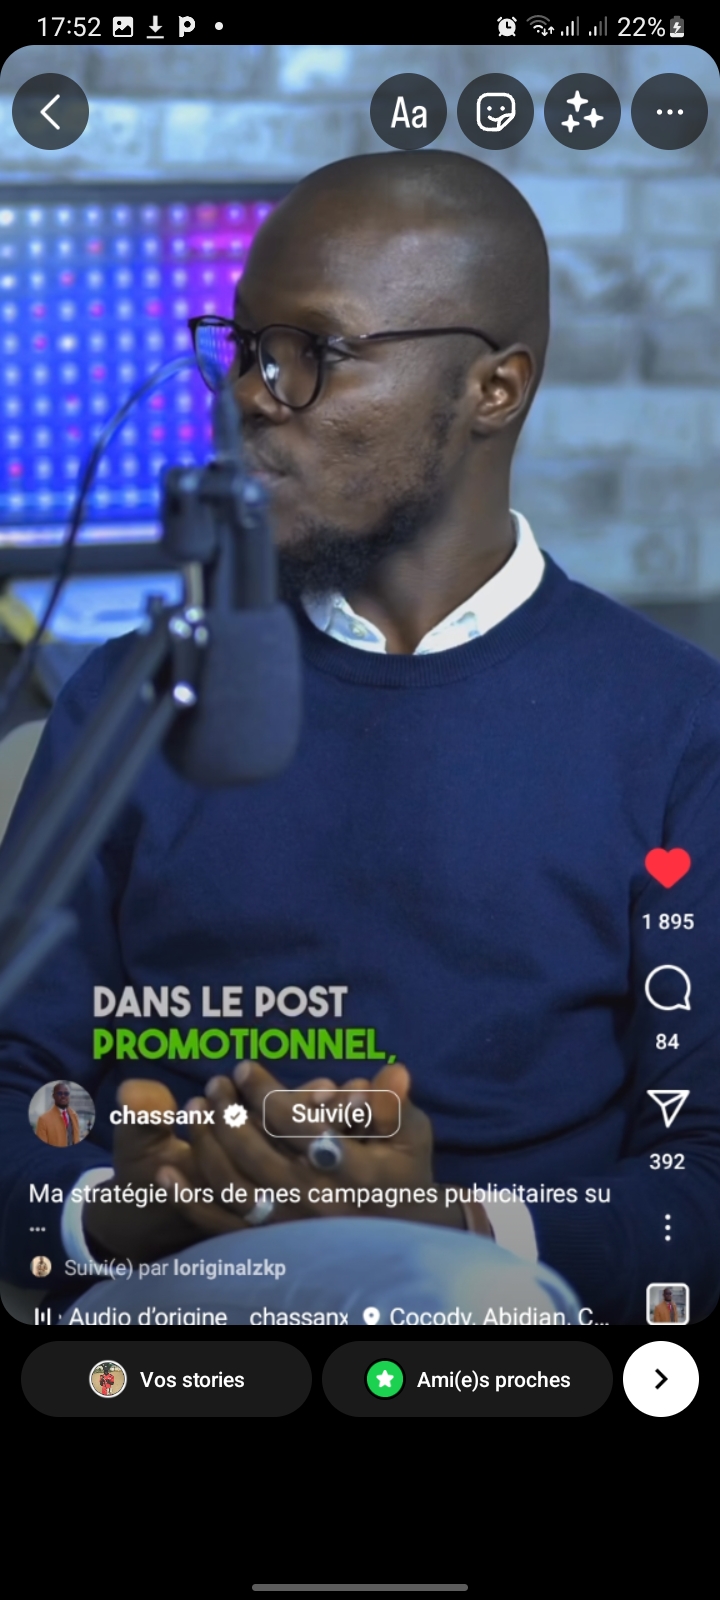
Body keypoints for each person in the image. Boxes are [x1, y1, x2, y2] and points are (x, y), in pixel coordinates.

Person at [1, 150, 720, 1326]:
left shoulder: (681, 727)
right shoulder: (131, 696)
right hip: (186, 1314)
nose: (250, 393)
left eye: (312, 351)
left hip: (507, 1326)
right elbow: (13, 1084)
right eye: (244, 346)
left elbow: (702, 1187)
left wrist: (447, 1221)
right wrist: (136, 1209)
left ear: (494, 389)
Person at [34, 1083, 81, 1148]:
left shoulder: (74, 1116)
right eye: (59, 1093)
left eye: (66, 1093)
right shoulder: (43, 1119)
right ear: (53, 1096)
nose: (63, 1096)